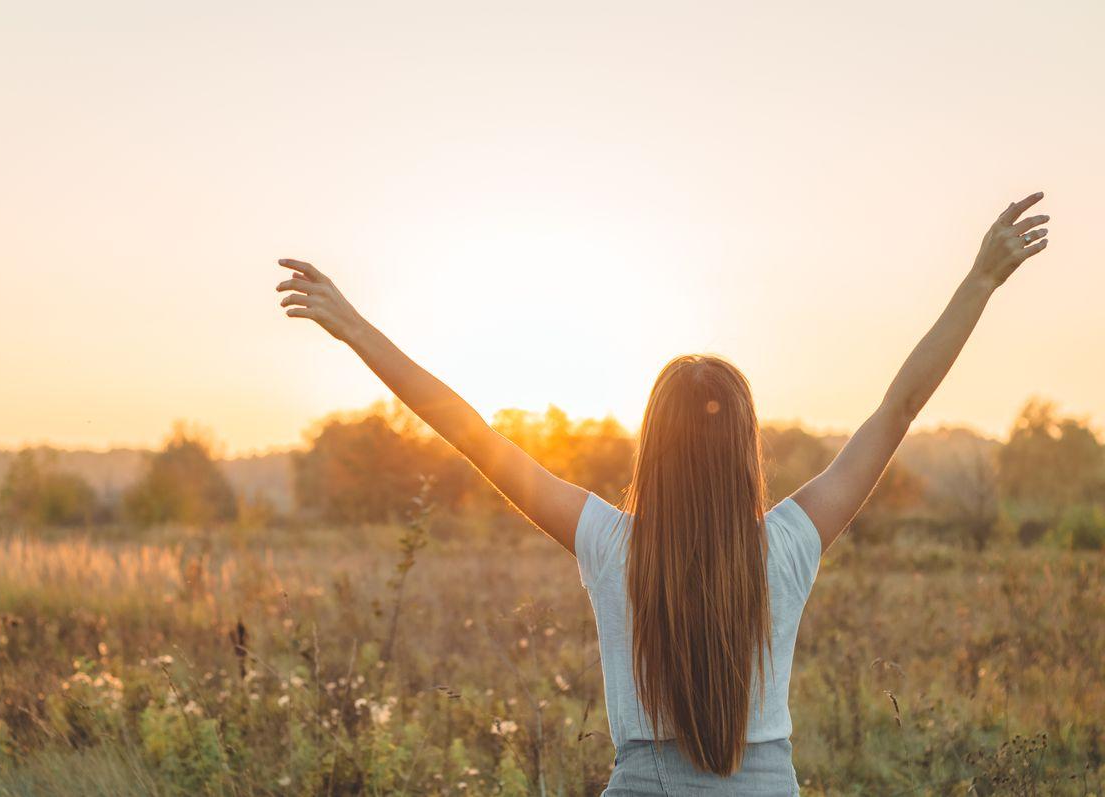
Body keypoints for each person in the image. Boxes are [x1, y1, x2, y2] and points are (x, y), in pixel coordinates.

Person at [274, 192, 1050, 795]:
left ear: (655, 448)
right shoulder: (788, 543)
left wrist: (356, 328)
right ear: (747, 452)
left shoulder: (611, 544)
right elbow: (900, 407)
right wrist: (980, 280)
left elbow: (471, 434)